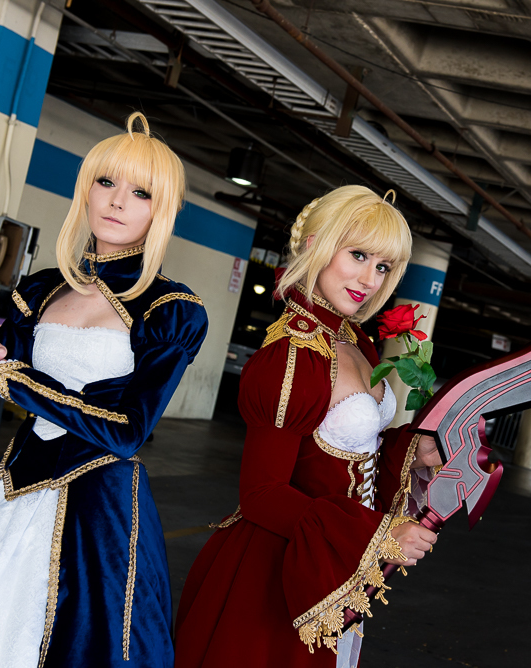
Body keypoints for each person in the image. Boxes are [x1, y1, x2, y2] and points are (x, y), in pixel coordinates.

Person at [0, 113, 207, 668]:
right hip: (9, 488)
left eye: (140, 192)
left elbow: (128, 430)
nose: (117, 201)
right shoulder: (42, 289)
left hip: (99, 511)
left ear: (160, 210)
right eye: (105, 182)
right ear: (86, 189)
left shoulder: (170, 308)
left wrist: (17, 379)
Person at [174, 185, 441, 668]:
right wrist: (378, 535)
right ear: (317, 244)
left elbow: (350, 448)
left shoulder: (354, 339)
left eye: (383, 266)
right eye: (358, 255)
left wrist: (411, 451)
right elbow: (262, 494)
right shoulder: (292, 355)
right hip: (274, 572)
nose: (370, 279)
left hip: (326, 567)